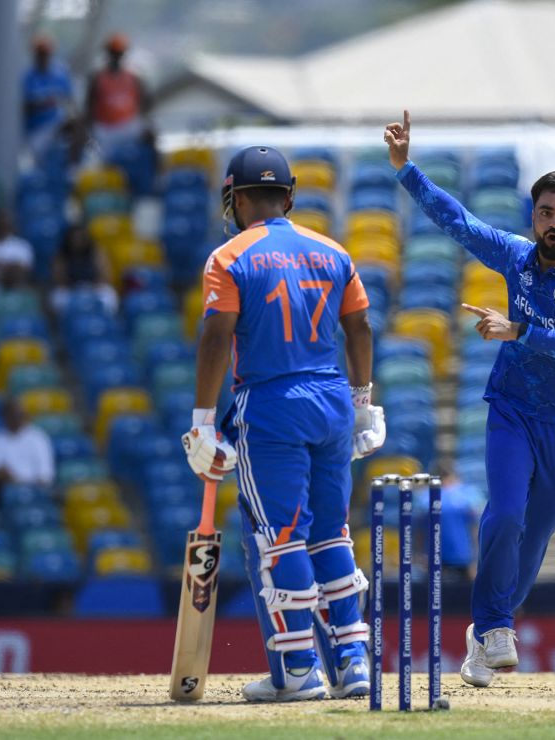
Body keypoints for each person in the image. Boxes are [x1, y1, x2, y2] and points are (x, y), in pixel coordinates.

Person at [384, 110, 555, 688]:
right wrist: (406, 169)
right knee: (506, 513)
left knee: (534, 535)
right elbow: (458, 223)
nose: (554, 223)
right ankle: (492, 624)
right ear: (533, 215)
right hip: (513, 407)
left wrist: (519, 331)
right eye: (546, 213)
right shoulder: (517, 255)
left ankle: (486, 633)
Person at [183, 145, 386, 702]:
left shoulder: (228, 256)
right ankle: (353, 663)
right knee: (332, 530)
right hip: (332, 401)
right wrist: (364, 403)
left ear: (236, 198)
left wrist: (202, 421)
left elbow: (216, 337)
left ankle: (298, 670)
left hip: (271, 405)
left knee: (280, 539)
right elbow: (361, 327)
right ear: (290, 197)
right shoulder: (333, 250)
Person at [85, 33, 151, 161]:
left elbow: (145, 103)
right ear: (108, 54)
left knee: (149, 136)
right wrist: (89, 133)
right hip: (105, 128)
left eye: (119, 53)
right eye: (113, 53)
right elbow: (88, 108)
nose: (116, 57)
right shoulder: (97, 78)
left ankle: (156, 176)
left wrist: (143, 121)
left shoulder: (134, 77)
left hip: (128, 126)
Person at [0, 397, 54, 505]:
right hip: (7, 490)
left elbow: (45, 475)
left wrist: (22, 483)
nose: (15, 418)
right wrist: (5, 475)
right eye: (11, 415)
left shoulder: (38, 438)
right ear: (4, 416)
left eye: (18, 414)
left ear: (24, 415)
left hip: (35, 489)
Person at [22, 34, 74, 160]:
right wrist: (44, 102)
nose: (43, 57)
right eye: (40, 53)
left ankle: (75, 166)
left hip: (56, 124)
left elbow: (70, 101)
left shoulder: (60, 74)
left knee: (76, 125)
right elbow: (24, 107)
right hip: (36, 129)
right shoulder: (27, 77)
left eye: (45, 53)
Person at [50, 223, 118, 315]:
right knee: (58, 296)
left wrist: (92, 287)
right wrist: (75, 289)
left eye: (80, 237)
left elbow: (105, 275)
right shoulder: (62, 254)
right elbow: (59, 279)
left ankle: (107, 319)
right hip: (71, 289)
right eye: (75, 237)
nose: (77, 240)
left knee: (109, 293)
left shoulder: (96, 252)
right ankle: (64, 322)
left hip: (93, 287)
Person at [0, 209, 34, 302]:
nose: (2, 225)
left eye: (5, 221)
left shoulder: (21, 246)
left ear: (10, 224)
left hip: (15, 293)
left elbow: (24, 272)